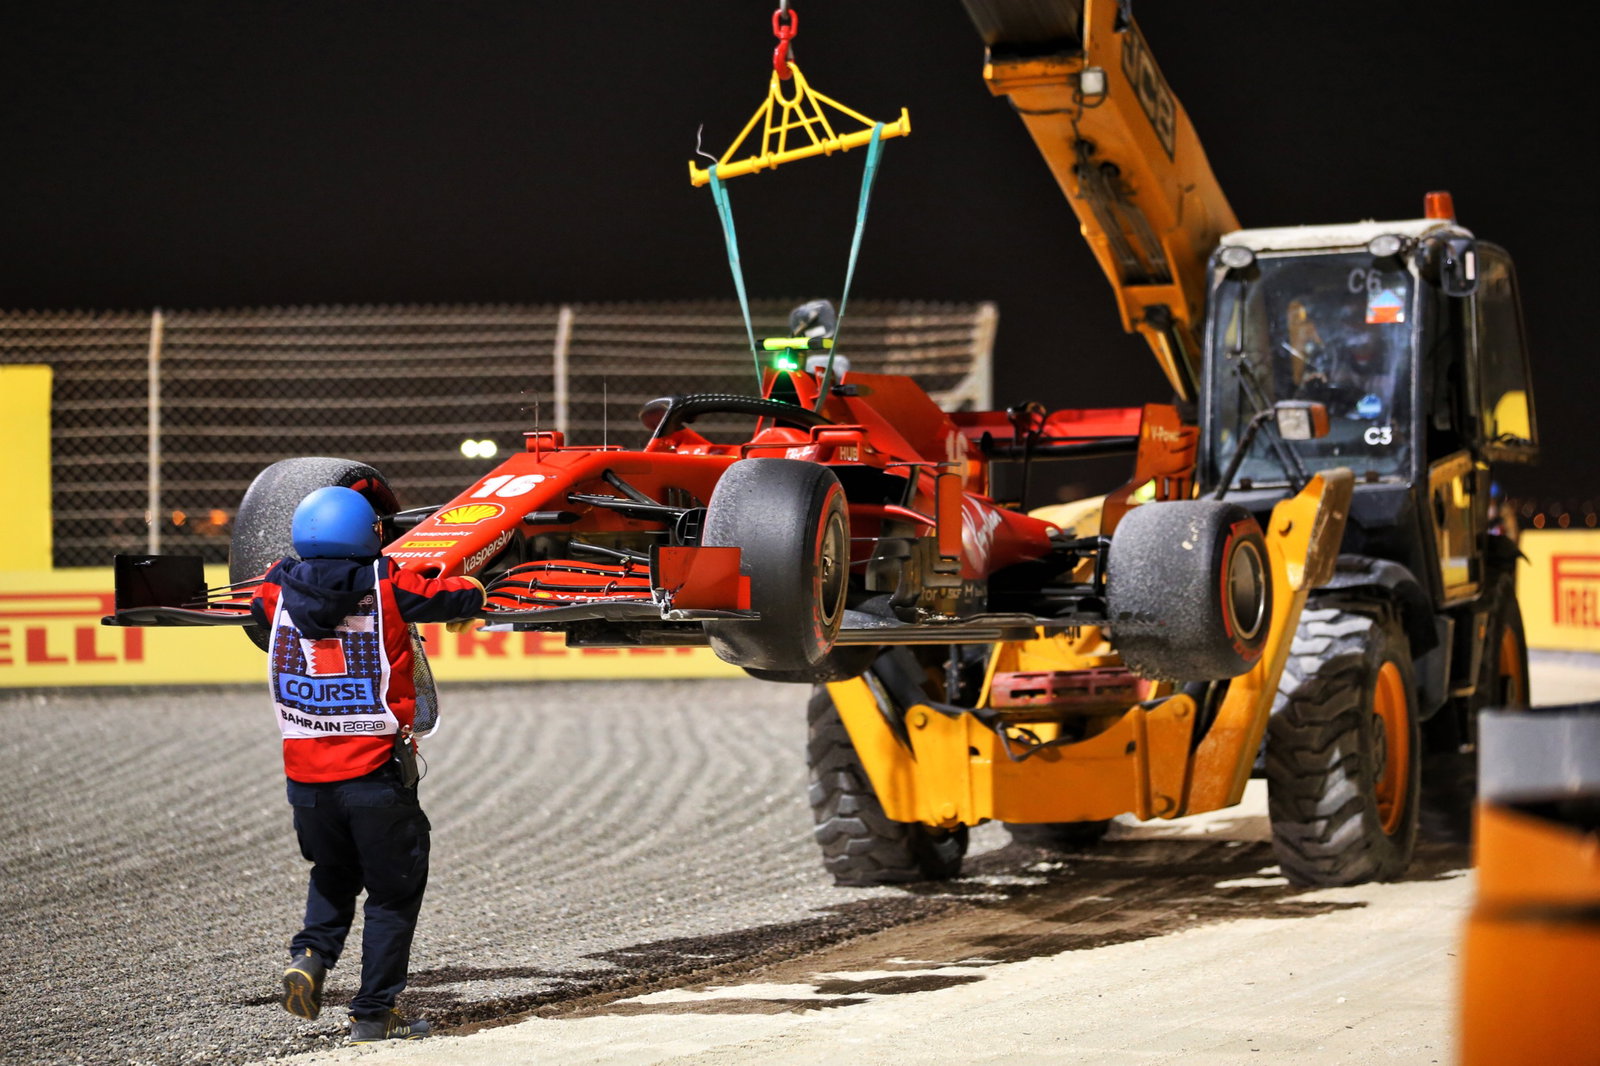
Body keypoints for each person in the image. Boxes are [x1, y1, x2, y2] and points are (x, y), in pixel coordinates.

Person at [249, 486, 486, 1043]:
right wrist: (474, 586)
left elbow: (258, 599)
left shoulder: (275, 588)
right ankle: (373, 1012)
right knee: (393, 892)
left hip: (306, 780)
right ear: (370, 534)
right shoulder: (387, 584)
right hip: (375, 775)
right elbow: (453, 597)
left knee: (332, 875)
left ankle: (309, 957)